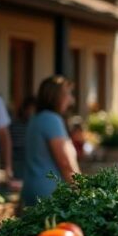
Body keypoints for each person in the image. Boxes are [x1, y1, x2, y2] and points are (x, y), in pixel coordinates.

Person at [22, 76, 81, 206]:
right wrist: (81, 191)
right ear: (56, 96)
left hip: (32, 189)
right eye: (68, 94)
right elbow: (65, 162)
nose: (71, 100)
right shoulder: (51, 119)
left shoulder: (36, 118)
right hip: (49, 194)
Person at [9, 97, 37, 180]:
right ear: (24, 109)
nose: (30, 113)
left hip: (31, 163)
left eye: (33, 110)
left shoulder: (36, 127)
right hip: (17, 162)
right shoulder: (14, 125)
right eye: (29, 109)